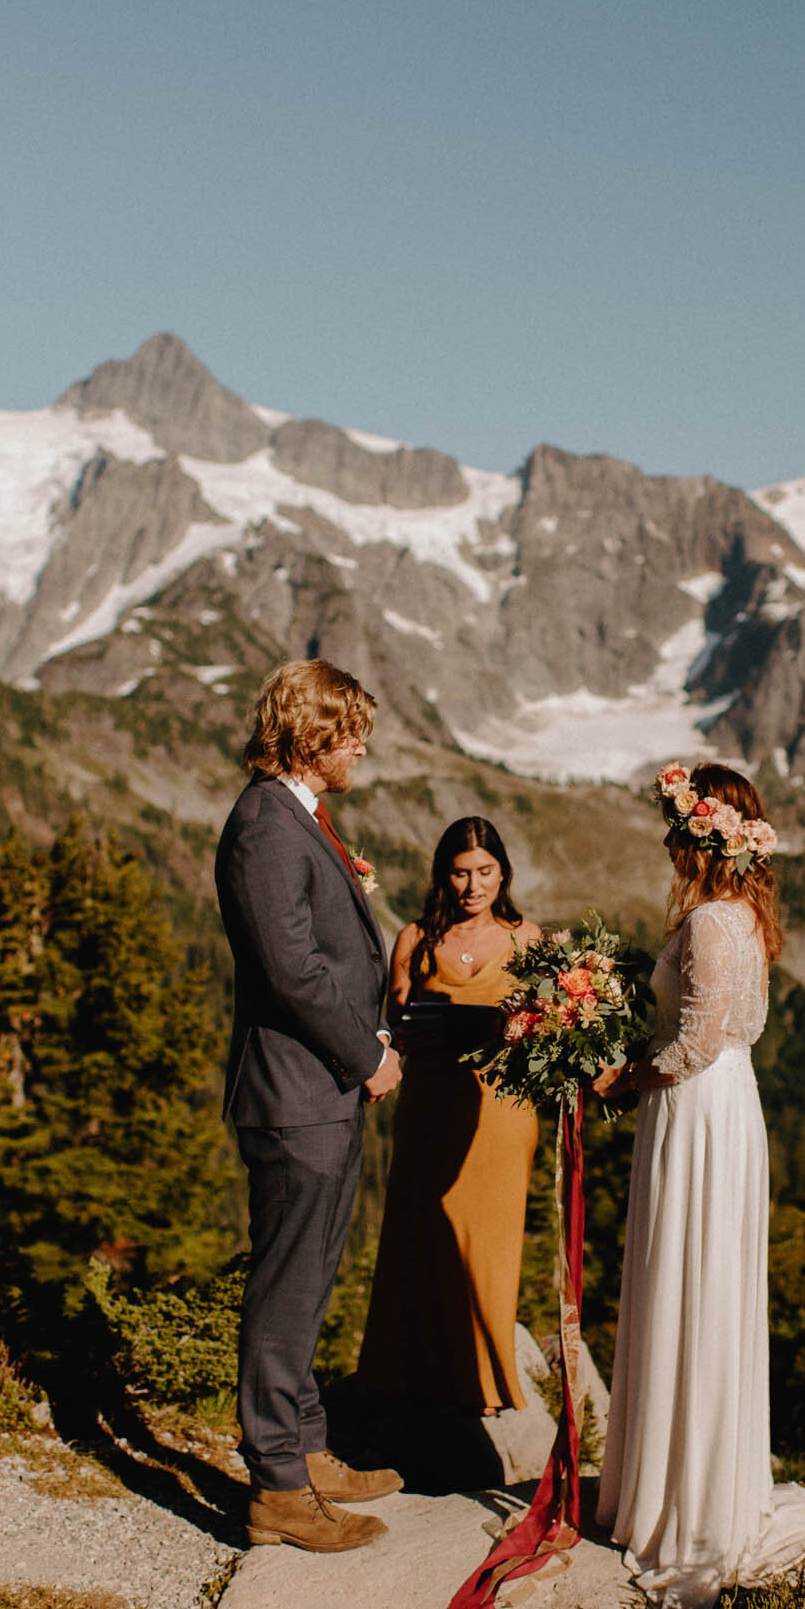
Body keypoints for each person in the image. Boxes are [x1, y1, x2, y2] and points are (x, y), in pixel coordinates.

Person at [592, 762, 805, 1609]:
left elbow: (696, 1045)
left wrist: (622, 1075)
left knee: (690, 1280)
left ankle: (686, 1500)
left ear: (698, 834)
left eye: (676, 827)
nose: (668, 842)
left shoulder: (713, 921)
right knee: (698, 1283)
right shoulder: (742, 916)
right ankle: (688, 1478)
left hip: (697, 1108)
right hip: (722, 1109)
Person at [215, 658, 404, 1554]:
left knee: (313, 1275)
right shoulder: (264, 824)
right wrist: (365, 1053)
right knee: (286, 1287)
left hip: (317, 1093)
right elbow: (291, 970)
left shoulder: (300, 816)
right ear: (310, 733)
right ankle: (278, 1489)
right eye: (351, 730)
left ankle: (308, 1447)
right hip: (297, 1092)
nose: (363, 745)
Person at [357, 818, 541, 1414]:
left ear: (502, 873)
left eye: (485, 872)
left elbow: (544, 1029)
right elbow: (394, 1024)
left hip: (502, 1111)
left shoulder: (526, 938)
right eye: (461, 873)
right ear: (443, 875)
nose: (472, 885)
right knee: (420, 1235)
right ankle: (407, 1380)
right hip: (432, 1105)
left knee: (488, 1244)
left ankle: (487, 1385)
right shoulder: (415, 938)